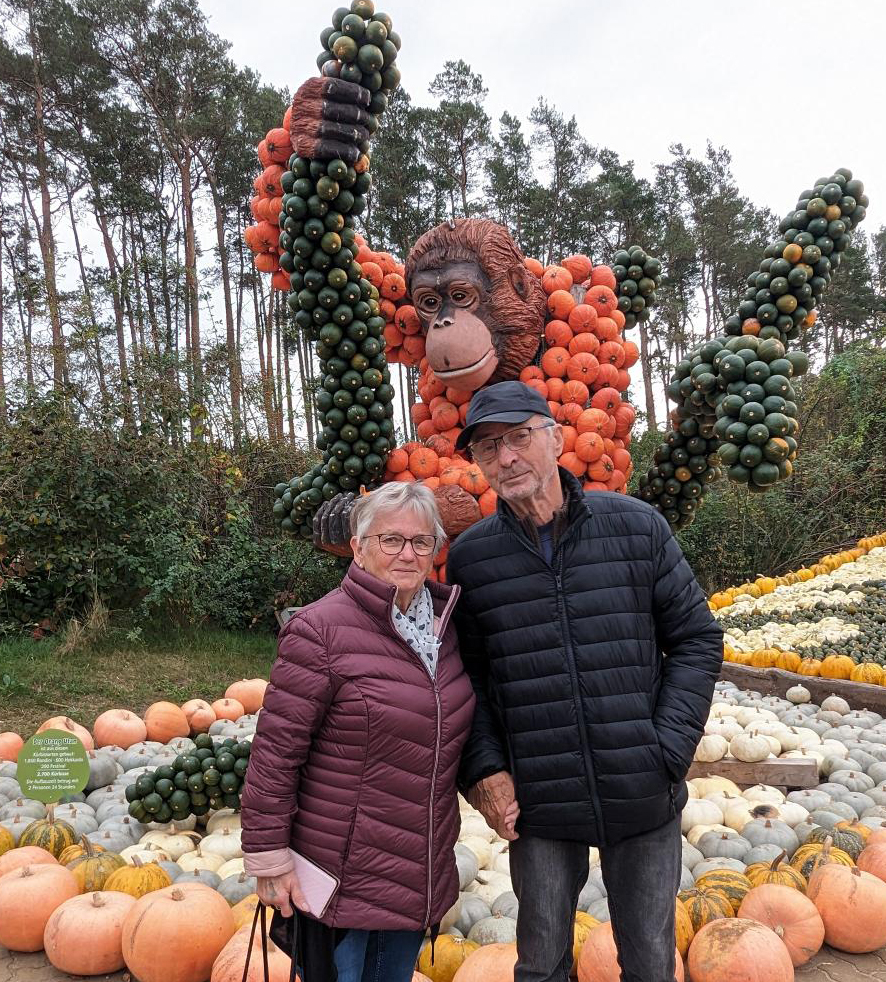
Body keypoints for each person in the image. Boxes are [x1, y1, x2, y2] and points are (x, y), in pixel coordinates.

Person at [445, 380, 724, 982]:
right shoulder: (472, 559)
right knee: (542, 965)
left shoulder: (636, 528)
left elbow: (697, 639)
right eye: (488, 447)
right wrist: (485, 769)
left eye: (519, 437)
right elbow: (468, 678)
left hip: (641, 788)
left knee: (649, 964)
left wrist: (668, 749)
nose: (506, 457)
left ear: (554, 438)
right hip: (539, 800)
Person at [241, 482, 476, 982]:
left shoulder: (445, 629)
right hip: (343, 874)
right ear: (358, 547)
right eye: (390, 540)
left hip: (417, 870)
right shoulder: (319, 631)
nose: (407, 553)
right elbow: (275, 755)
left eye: (421, 541)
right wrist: (269, 858)